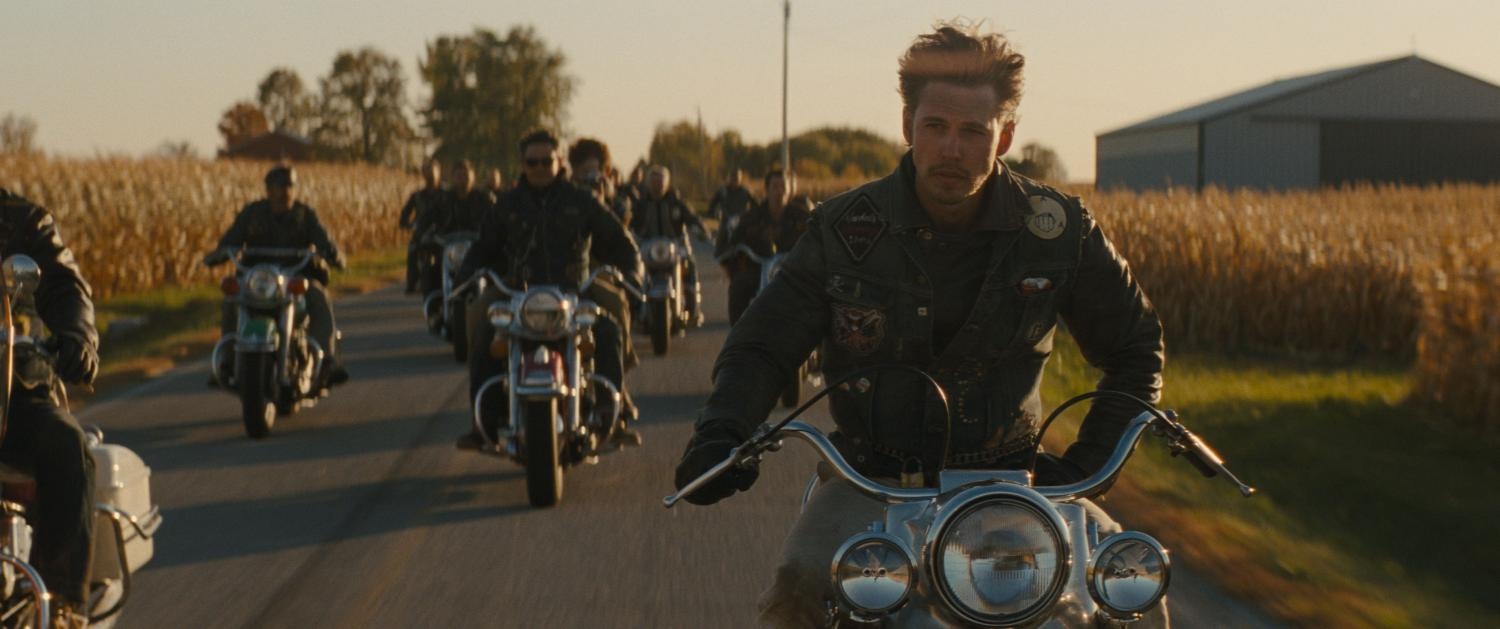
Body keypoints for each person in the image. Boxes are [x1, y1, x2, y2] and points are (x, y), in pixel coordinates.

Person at [671, 22, 1165, 627]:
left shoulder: (1058, 230)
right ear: (908, 126)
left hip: (1019, 485)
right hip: (873, 483)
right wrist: (722, 432)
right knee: (797, 590)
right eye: (936, 126)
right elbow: (763, 344)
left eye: (973, 131)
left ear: (1005, 136)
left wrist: (1083, 470)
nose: (952, 149)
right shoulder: (844, 230)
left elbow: (1137, 346)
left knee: (1134, 588)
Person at [456, 129, 643, 449]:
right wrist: (466, 277)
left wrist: (633, 272)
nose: (540, 168)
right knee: (481, 323)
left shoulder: (582, 200)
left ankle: (612, 411)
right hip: (518, 294)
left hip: (574, 292)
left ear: (559, 162)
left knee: (609, 328)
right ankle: (483, 418)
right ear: (523, 164)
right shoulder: (506, 205)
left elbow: (619, 241)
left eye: (546, 161)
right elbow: (482, 247)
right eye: (533, 162)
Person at [0, 189, 99, 628]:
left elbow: (64, 285)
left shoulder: (22, 221)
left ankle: (60, 603)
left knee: (66, 445)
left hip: (13, 389)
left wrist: (77, 335)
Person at [205, 165, 349, 387]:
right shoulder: (252, 214)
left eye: (288, 186)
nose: (283, 192)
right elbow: (231, 239)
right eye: (278, 187)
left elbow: (323, 239)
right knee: (232, 300)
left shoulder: (304, 215)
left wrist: (333, 254)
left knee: (318, 296)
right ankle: (227, 361)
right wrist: (219, 254)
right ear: (268, 190)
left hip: (295, 277)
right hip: (256, 279)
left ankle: (327, 362)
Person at [719, 168, 815, 325]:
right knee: (738, 286)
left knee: (816, 289)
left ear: (789, 190)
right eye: (775, 186)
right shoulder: (753, 215)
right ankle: (738, 334)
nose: (779, 191)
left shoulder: (801, 216)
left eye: (783, 186)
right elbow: (735, 240)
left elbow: (816, 234)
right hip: (759, 269)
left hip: (794, 269)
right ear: (767, 190)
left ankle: (813, 334)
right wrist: (730, 256)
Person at [629, 165, 708, 325]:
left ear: (667, 183)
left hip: (675, 247)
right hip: (647, 249)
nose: (657, 186)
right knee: (632, 272)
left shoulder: (676, 203)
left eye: (660, 182)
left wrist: (700, 229)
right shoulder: (640, 205)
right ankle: (634, 310)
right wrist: (627, 232)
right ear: (648, 183)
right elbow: (629, 221)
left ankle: (693, 307)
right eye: (654, 182)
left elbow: (691, 217)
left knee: (689, 266)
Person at [412, 159, 492, 300]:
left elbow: (498, 217)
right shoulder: (443, 199)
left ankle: (492, 306)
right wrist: (421, 232)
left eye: (465, 174)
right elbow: (427, 217)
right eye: (458, 175)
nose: (462, 179)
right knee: (429, 272)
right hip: (447, 249)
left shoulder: (484, 198)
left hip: (478, 249)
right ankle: (432, 306)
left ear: (473, 176)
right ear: (452, 177)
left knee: (496, 273)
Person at [399, 158, 445, 294]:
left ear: (439, 172)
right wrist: (410, 225)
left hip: (442, 234)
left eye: (432, 169)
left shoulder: (447, 194)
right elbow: (404, 217)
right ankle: (412, 282)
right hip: (422, 234)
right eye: (427, 170)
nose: (430, 173)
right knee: (412, 249)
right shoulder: (417, 196)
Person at [706, 168, 755, 253]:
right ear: (729, 178)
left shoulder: (745, 191)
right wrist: (712, 213)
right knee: (721, 237)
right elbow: (713, 203)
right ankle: (719, 255)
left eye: (737, 177)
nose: (735, 180)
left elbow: (755, 204)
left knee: (752, 238)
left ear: (740, 178)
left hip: (742, 221)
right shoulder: (723, 191)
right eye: (733, 177)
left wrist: (753, 216)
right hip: (726, 220)